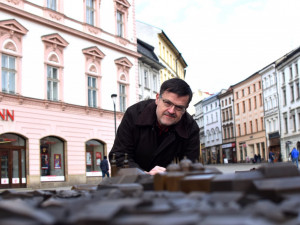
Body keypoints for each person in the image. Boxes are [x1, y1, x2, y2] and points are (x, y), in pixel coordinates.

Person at [109, 78, 200, 175]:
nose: (171, 111)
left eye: (179, 107)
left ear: (185, 108)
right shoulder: (134, 114)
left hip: (168, 185)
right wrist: (143, 175)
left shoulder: (190, 127)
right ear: (157, 98)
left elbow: (191, 168)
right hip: (132, 184)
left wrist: (173, 175)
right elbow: (118, 156)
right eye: (167, 103)